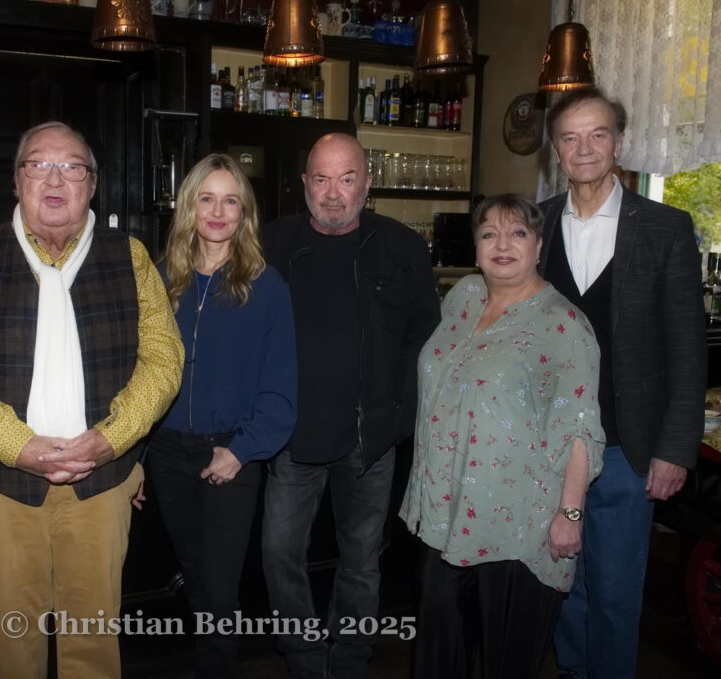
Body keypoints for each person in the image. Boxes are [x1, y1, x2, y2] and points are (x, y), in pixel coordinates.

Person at [0, 121, 183, 679]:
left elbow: (163, 361)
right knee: (10, 639)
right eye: (39, 164)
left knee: (94, 641)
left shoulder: (131, 257)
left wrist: (109, 441)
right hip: (2, 486)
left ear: (92, 184)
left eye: (72, 166)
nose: (55, 178)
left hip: (101, 486)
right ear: (18, 181)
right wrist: (21, 447)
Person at [400, 194, 606, 678]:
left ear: (538, 247)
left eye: (517, 234)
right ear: (475, 248)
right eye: (489, 233)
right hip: (444, 513)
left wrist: (569, 514)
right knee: (436, 657)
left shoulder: (564, 325)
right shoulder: (464, 296)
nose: (503, 245)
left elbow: (579, 427)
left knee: (505, 663)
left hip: (519, 525)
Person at [539, 88, 706, 679]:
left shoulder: (663, 227)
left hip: (627, 451)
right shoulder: (533, 227)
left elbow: (687, 350)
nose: (584, 148)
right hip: (547, 449)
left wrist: (674, 449)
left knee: (614, 595)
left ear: (619, 142)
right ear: (555, 150)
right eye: (570, 137)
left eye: (598, 134)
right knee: (560, 590)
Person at [261, 132, 440, 678]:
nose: (333, 193)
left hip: (370, 442)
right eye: (321, 178)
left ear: (367, 182)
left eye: (346, 178)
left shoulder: (401, 247)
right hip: (292, 437)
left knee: (361, 564)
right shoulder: (273, 242)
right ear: (304, 184)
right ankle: (306, 660)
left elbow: (423, 340)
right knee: (278, 556)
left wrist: (398, 420)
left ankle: (351, 662)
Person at [143, 153, 297, 678]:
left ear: (244, 213)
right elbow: (140, 374)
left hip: (231, 450)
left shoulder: (266, 285)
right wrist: (137, 455)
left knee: (219, 584)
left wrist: (243, 449)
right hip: (166, 452)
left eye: (230, 200)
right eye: (206, 198)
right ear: (190, 207)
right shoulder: (161, 279)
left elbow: (281, 386)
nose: (217, 210)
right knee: (195, 576)